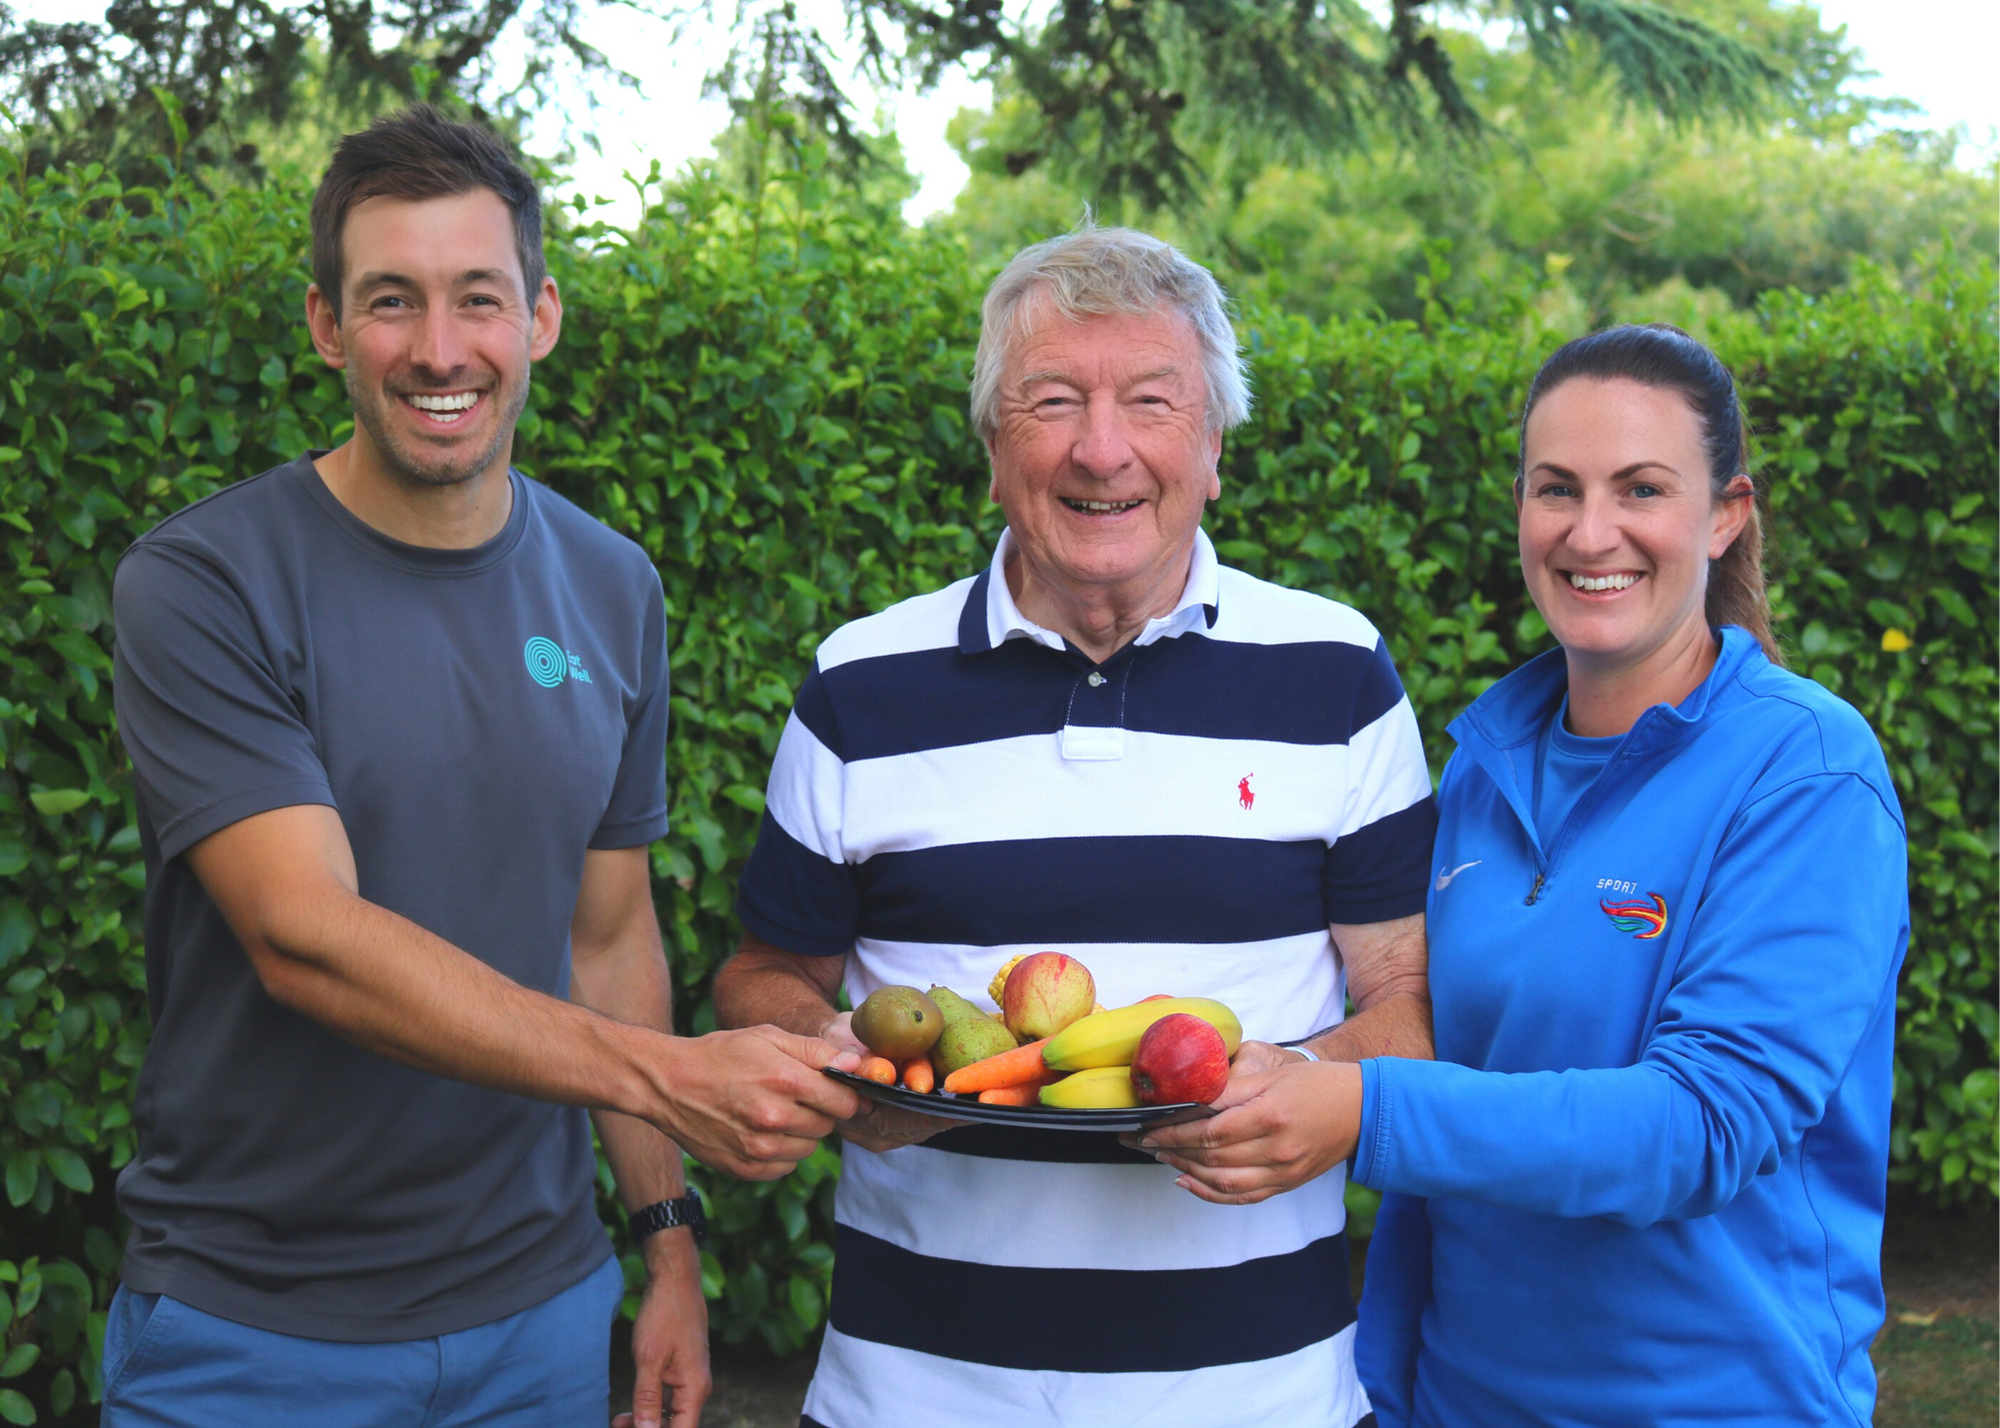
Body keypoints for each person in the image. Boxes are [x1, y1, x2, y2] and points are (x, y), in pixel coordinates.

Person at [105, 106, 861, 1428]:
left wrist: (667, 1242)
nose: (440, 351)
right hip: (255, 1332)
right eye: (390, 302)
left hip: (541, 1323)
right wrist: (670, 1077)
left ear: (543, 317)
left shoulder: (613, 586)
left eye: (479, 300)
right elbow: (307, 938)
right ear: (329, 327)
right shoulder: (206, 582)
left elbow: (610, 937)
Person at [711, 225, 1438, 1428]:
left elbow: (1406, 1004)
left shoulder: (1337, 673)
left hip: (1261, 1399)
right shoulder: (856, 685)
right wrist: (838, 1056)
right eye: (1052, 401)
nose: (1102, 450)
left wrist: (1308, 1087)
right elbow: (761, 976)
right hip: (910, 1397)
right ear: (994, 447)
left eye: (1150, 401)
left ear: (1210, 448)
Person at [1150, 322, 1909, 1424]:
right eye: (1554, 489)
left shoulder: (1805, 774)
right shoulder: (1479, 768)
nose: (1588, 531)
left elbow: (1701, 1125)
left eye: (1639, 488)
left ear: (1724, 513)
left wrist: (1361, 1109)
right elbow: (1448, 1105)